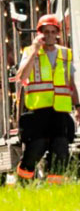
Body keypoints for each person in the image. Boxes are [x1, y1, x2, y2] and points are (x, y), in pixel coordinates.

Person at [15, 14, 80, 184]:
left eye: (53, 31)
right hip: (38, 114)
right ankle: (22, 184)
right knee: (34, 151)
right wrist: (35, 52)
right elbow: (21, 76)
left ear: (57, 33)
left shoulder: (65, 54)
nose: (50, 35)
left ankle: (55, 190)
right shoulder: (30, 52)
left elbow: (71, 84)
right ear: (40, 33)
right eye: (46, 32)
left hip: (60, 114)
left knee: (61, 152)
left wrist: (78, 107)